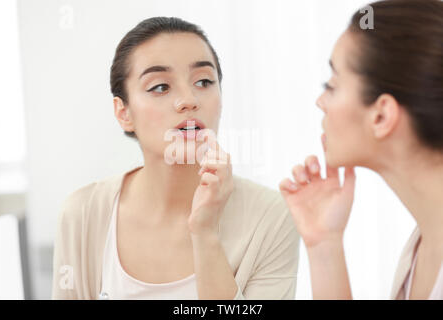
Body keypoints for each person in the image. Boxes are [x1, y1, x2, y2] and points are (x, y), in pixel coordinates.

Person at [52, 17, 300, 300]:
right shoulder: (83, 214)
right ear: (124, 113)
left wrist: (205, 234)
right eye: (160, 87)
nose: (189, 99)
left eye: (204, 81)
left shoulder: (271, 217)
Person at [279, 0, 443, 300]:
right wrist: (324, 244)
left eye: (331, 85)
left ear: (381, 116)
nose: (320, 102)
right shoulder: (423, 244)